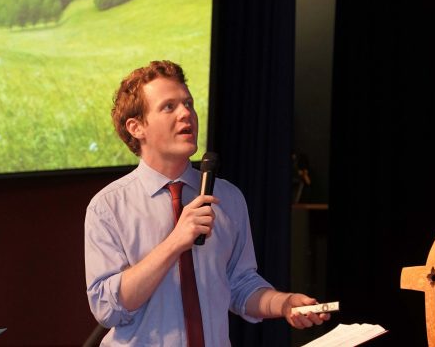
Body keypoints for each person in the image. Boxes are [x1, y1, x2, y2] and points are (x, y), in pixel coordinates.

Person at [84, 60, 328, 346]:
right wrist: (175, 242)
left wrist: (284, 303)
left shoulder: (227, 198)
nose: (186, 113)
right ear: (137, 127)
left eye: (189, 103)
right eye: (169, 107)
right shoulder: (108, 207)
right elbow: (106, 309)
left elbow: (240, 285)